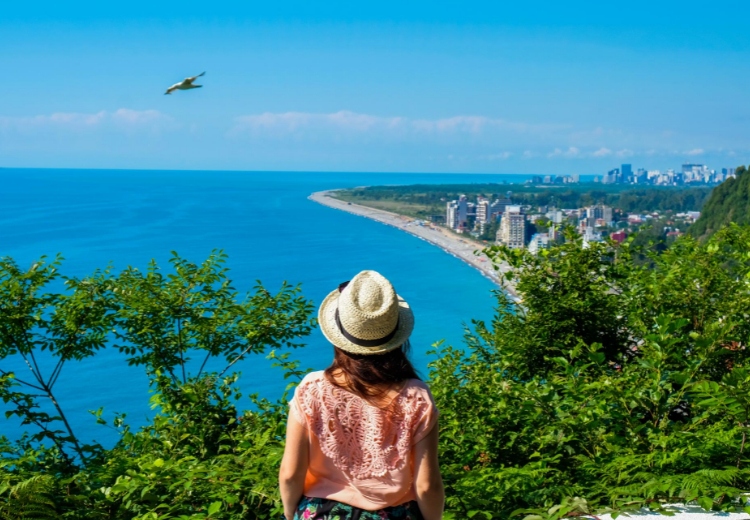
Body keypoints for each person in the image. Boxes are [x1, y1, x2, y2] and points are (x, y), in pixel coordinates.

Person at [279, 270, 444, 520]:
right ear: (396, 336)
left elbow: (291, 474)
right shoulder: (416, 397)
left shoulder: (311, 388)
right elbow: (427, 486)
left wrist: (292, 515)